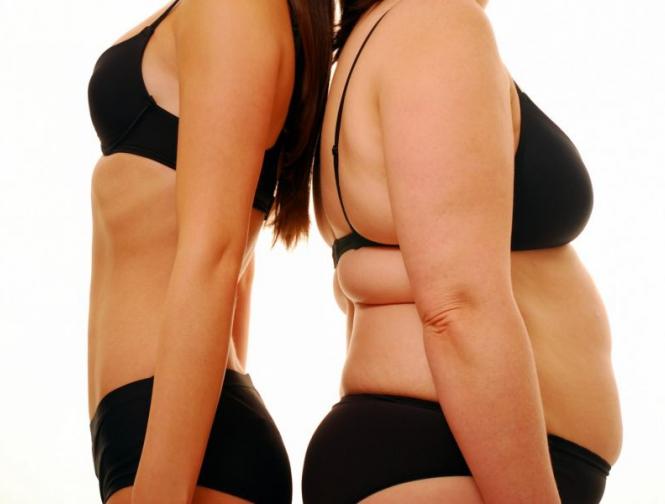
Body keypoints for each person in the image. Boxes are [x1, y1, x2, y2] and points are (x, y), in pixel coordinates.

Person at [303, 0, 622, 502]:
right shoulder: (437, 22)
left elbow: (369, 280)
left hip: (434, 451)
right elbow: (457, 308)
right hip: (453, 457)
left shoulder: (381, 36)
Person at [86, 0, 332, 502]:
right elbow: (238, 268)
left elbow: (217, 256)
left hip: (186, 442)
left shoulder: (237, 9)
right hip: (157, 428)